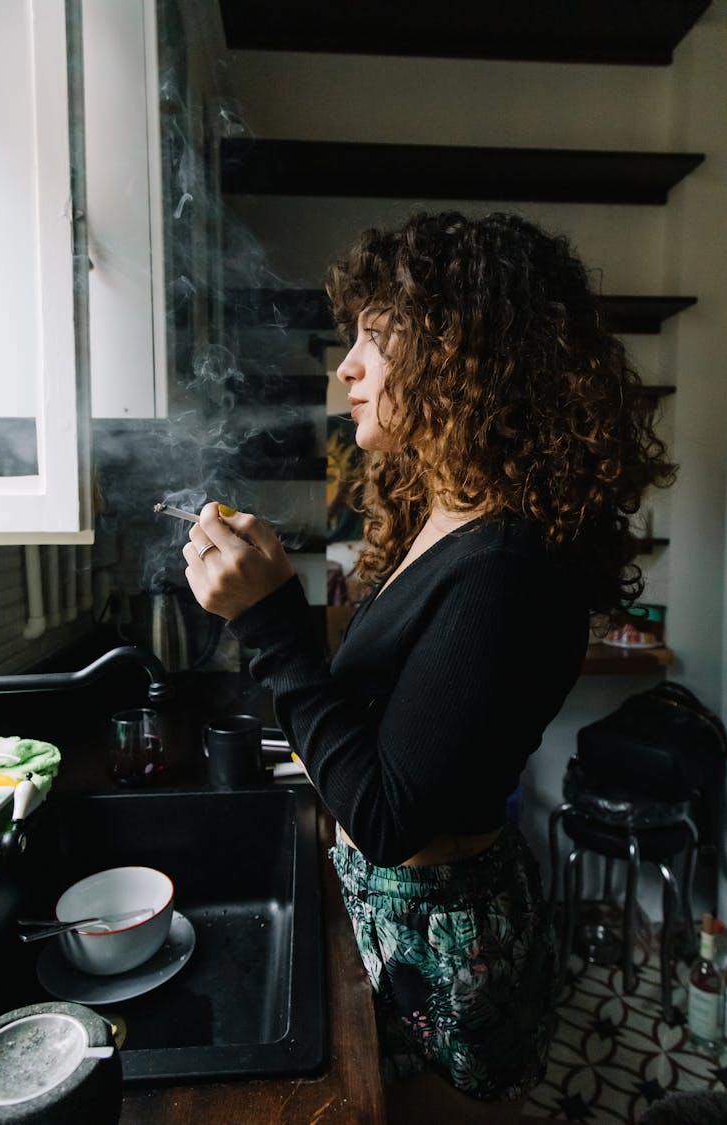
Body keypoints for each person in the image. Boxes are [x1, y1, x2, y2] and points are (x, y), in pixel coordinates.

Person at [183, 210, 674, 1122]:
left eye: (377, 339)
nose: (347, 370)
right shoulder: (443, 516)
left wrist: (271, 625)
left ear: (465, 358)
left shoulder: (509, 567)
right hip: (405, 916)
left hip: (447, 950)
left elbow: (386, 812)